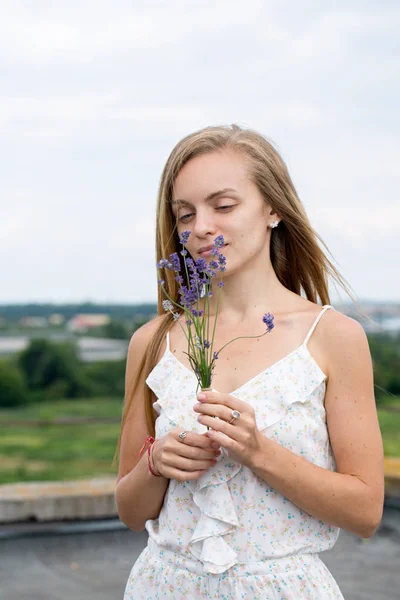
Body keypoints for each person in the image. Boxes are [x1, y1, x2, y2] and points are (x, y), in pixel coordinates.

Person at [116, 124, 384, 599]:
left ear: (273, 209)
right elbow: (131, 511)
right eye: (184, 214)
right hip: (163, 586)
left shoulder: (333, 337)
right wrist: (155, 463)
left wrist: (260, 452)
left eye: (223, 205)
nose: (200, 227)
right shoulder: (152, 341)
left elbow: (365, 512)